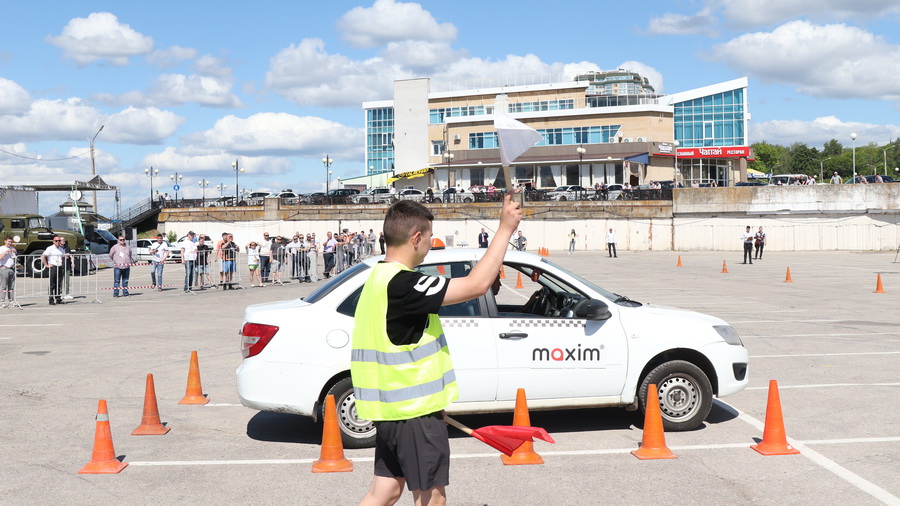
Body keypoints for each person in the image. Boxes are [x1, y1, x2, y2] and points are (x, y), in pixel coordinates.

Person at [351, 196, 522, 506]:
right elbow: (476, 284)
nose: (431, 244)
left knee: (384, 492)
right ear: (416, 238)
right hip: (413, 414)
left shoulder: (376, 278)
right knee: (431, 498)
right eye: (430, 237)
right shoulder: (403, 284)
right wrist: (505, 230)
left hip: (390, 414)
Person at [42, 236, 66, 305]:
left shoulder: (61, 249)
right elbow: (43, 256)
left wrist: (62, 264)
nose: (58, 242)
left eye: (59, 240)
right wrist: (46, 265)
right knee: (52, 284)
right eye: (56, 241)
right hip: (53, 267)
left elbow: (63, 257)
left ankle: (58, 298)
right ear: (53, 241)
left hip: (59, 267)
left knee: (58, 284)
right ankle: (51, 299)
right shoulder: (50, 248)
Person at [0, 236, 17, 307]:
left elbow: (14, 257)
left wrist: (14, 252)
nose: (10, 243)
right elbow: (0, 257)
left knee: (11, 286)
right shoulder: (1, 248)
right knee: (3, 286)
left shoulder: (12, 248)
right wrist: (6, 251)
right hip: (4, 268)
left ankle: (11, 301)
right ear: (5, 241)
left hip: (11, 268)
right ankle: (2, 302)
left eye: (11, 241)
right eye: (8, 241)